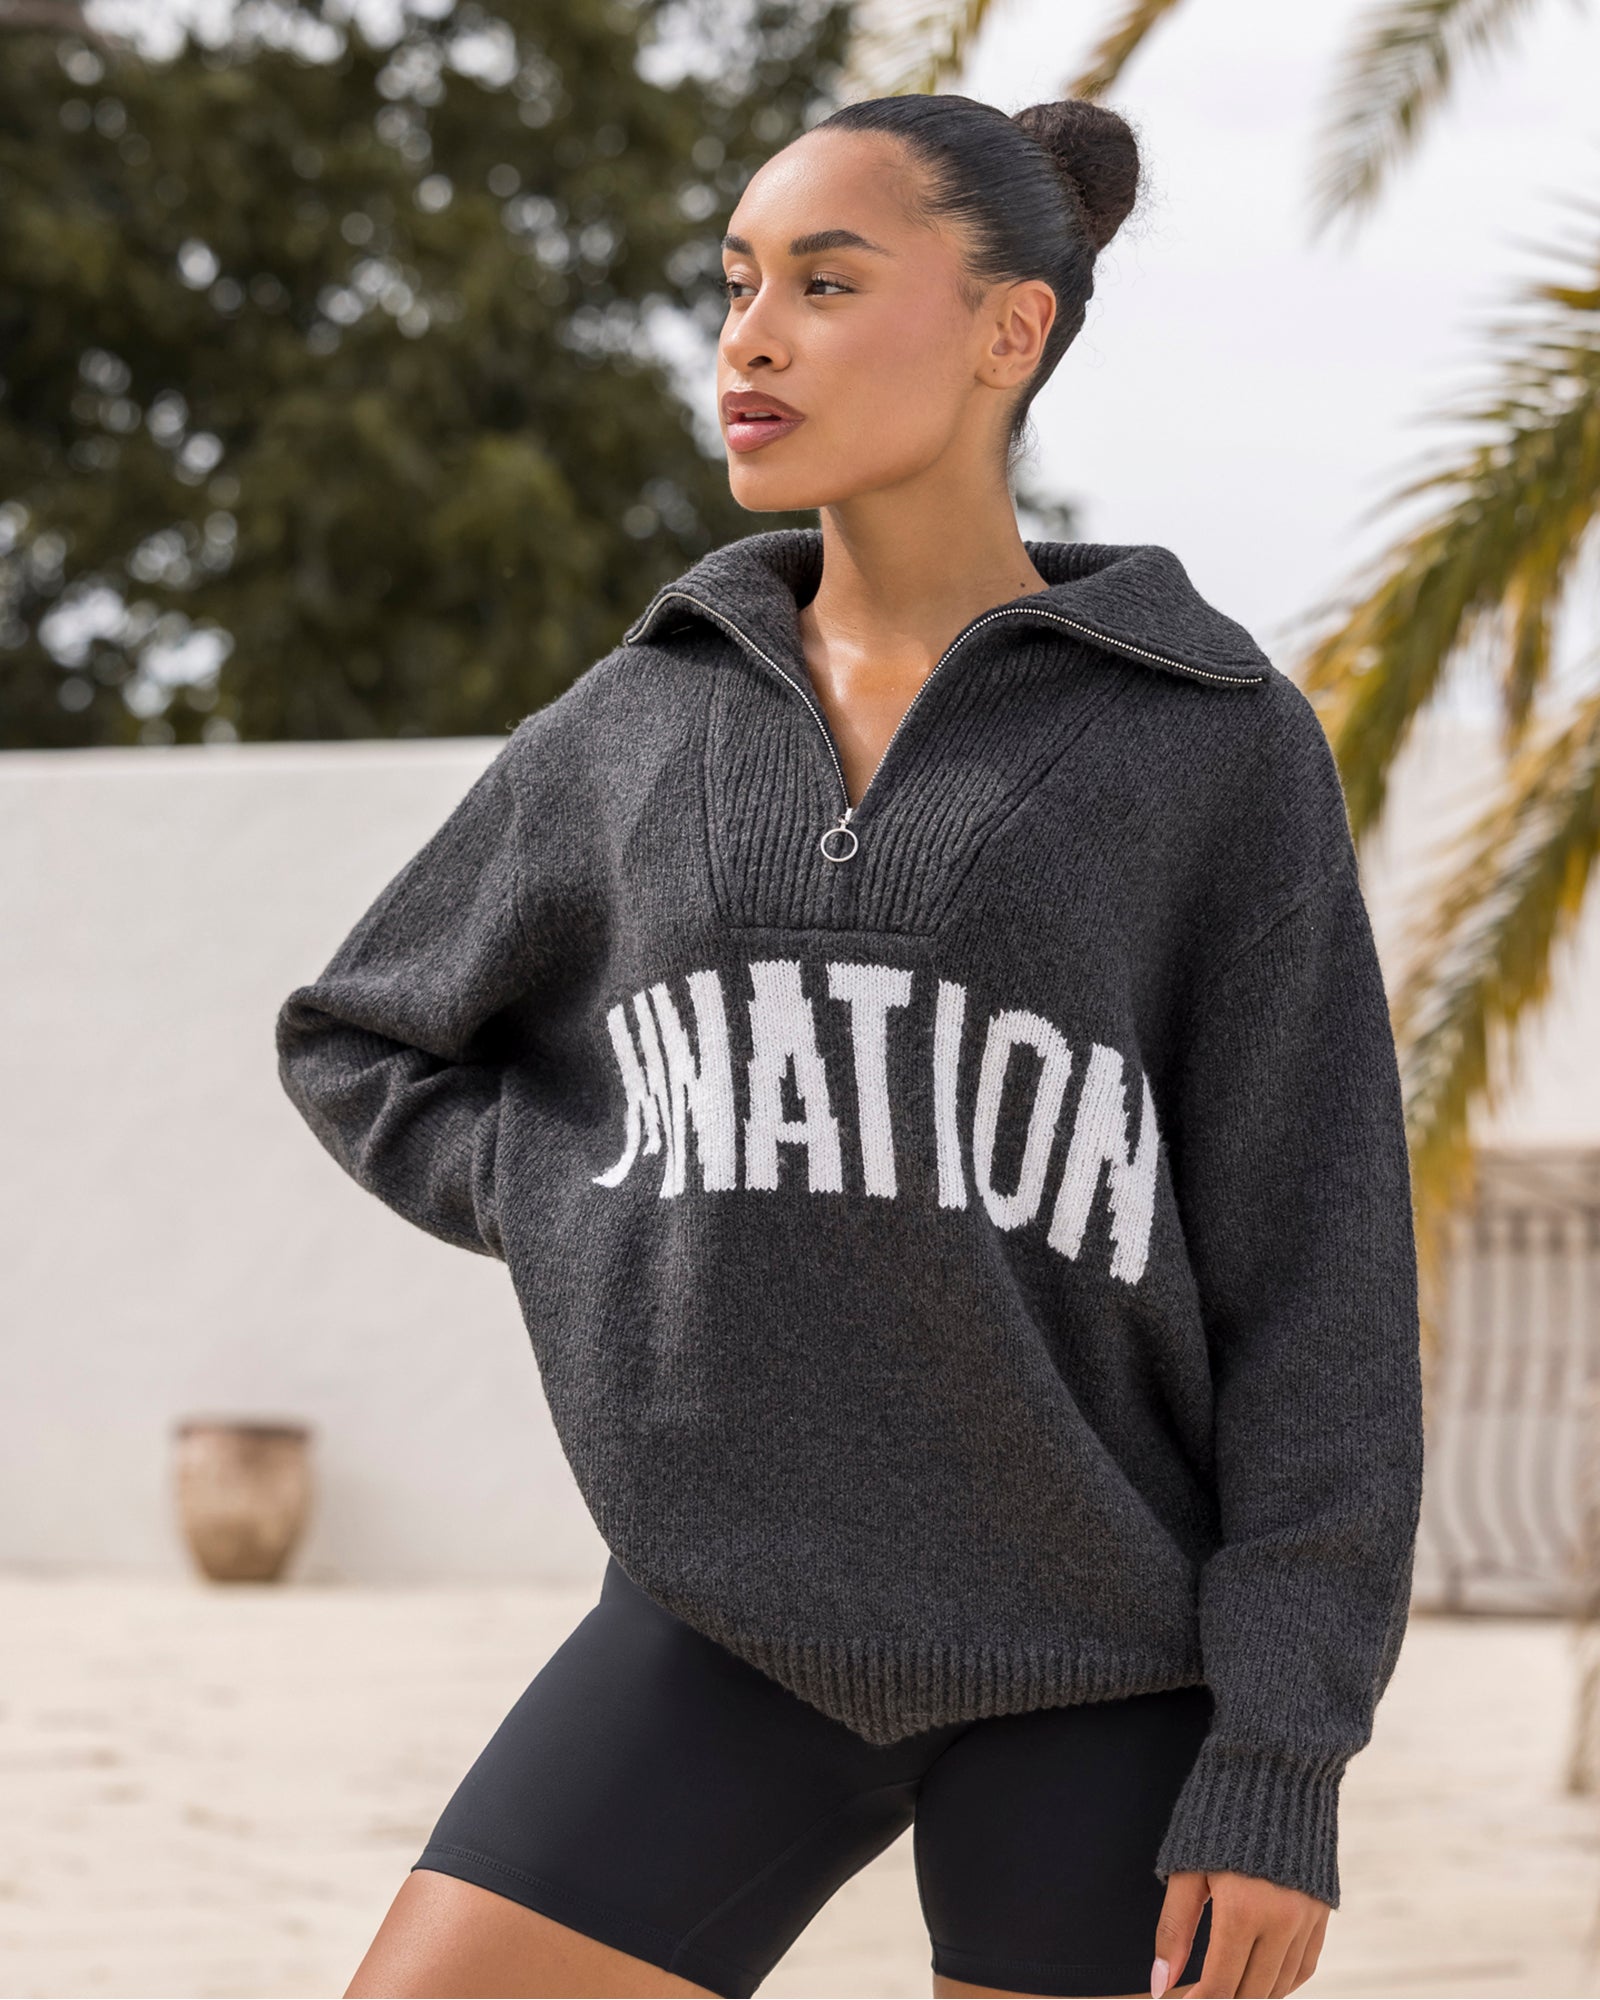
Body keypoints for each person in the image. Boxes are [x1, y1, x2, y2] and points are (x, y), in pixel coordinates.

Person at [275, 90, 1425, 2000]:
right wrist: (593, 1193)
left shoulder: (1207, 742)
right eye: (735, 284)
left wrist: (1282, 1763)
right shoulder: (647, 717)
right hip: (720, 1619)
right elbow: (362, 1035)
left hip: (1108, 1660)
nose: (751, 338)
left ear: (1007, 330)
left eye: (823, 284)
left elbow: (1321, 1283)